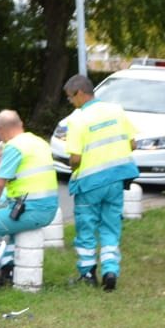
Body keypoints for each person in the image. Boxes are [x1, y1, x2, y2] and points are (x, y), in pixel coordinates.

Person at [62, 73, 138, 291]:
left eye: (70, 97)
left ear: (79, 93)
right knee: (110, 226)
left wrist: (73, 165)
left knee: (86, 228)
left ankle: (87, 274)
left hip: (90, 183)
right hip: (116, 179)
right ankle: (110, 270)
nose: (71, 102)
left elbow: (75, 158)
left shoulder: (77, 119)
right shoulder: (116, 110)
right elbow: (132, 144)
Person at [0, 110, 59, 280]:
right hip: (48, 207)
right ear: (20, 124)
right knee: (10, 229)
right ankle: (7, 269)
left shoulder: (14, 147)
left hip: (30, 211)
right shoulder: (39, 142)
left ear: (0, 130)